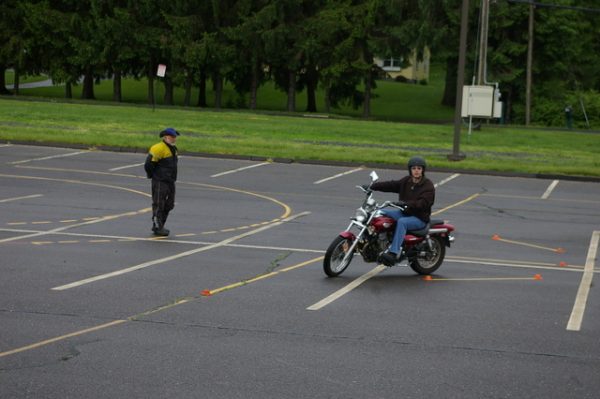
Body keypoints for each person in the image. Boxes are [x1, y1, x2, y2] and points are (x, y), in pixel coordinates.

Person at [369, 156, 435, 266]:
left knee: (402, 222)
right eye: (414, 168)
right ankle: (373, 242)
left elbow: (423, 203)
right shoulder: (407, 181)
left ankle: (393, 253)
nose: (416, 171)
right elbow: (392, 185)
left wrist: (406, 204)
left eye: (419, 168)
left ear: (423, 170)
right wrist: (372, 186)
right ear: (410, 170)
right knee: (379, 212)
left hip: (419, 218)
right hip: (404, 213)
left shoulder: (428, 185)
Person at [144, 128, 180, 236]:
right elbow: (148, 164)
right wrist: (153, 176)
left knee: (169, 204)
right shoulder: (158, 148)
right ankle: (157, 226)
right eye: (172, 137)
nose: (174, 139)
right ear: (165, 137)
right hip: (160, 181)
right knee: (159, 204)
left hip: (170, 181)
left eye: (175, 137)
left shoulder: (173, 149)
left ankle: (161, 224)